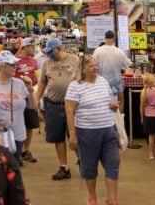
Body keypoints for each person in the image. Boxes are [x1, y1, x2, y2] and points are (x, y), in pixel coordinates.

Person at [65, 55, 121, 205]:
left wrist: (113, 104)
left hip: (109, 130)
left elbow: (109, 99)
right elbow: (69, 110)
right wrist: (72, 135)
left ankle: (112, 199)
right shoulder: (75, 86)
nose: (95, 68)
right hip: (87, 132)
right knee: (89, 167)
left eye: (96, 65)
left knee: (113, 164)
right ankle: (92, 197)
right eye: (91, 66)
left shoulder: (103, 81)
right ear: (83, 69)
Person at [36, 37, 80, 180]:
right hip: (53, 105)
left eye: (51, 52)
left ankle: (83, 161)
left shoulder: (74, 60)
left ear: (58, 49)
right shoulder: (47, 62)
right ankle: (64, 167)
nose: (49, 55)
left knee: (75, 137)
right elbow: (43, 82)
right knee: (58, 137)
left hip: (73, 107)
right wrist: (37, 99)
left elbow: (83, 80)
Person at [93, 30, 132, 112]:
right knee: (119, 105)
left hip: (101, 86)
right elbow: (128, 64)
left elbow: (93, 67)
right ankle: (118, 123)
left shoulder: (97, 51)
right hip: (117, 86)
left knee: (103, 106)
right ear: (114, 39)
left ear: (105, 39)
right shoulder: (119, 51)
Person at [14, 37, 39, 163]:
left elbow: (36, 77)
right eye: (31, 46)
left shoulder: (34, 61)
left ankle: (25, 150)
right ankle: (16, 150)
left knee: (30, 123)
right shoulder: (15, 60)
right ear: (24, 47)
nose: (33, 48)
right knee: (17, 123)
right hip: (17, 95)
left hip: (30, 93)